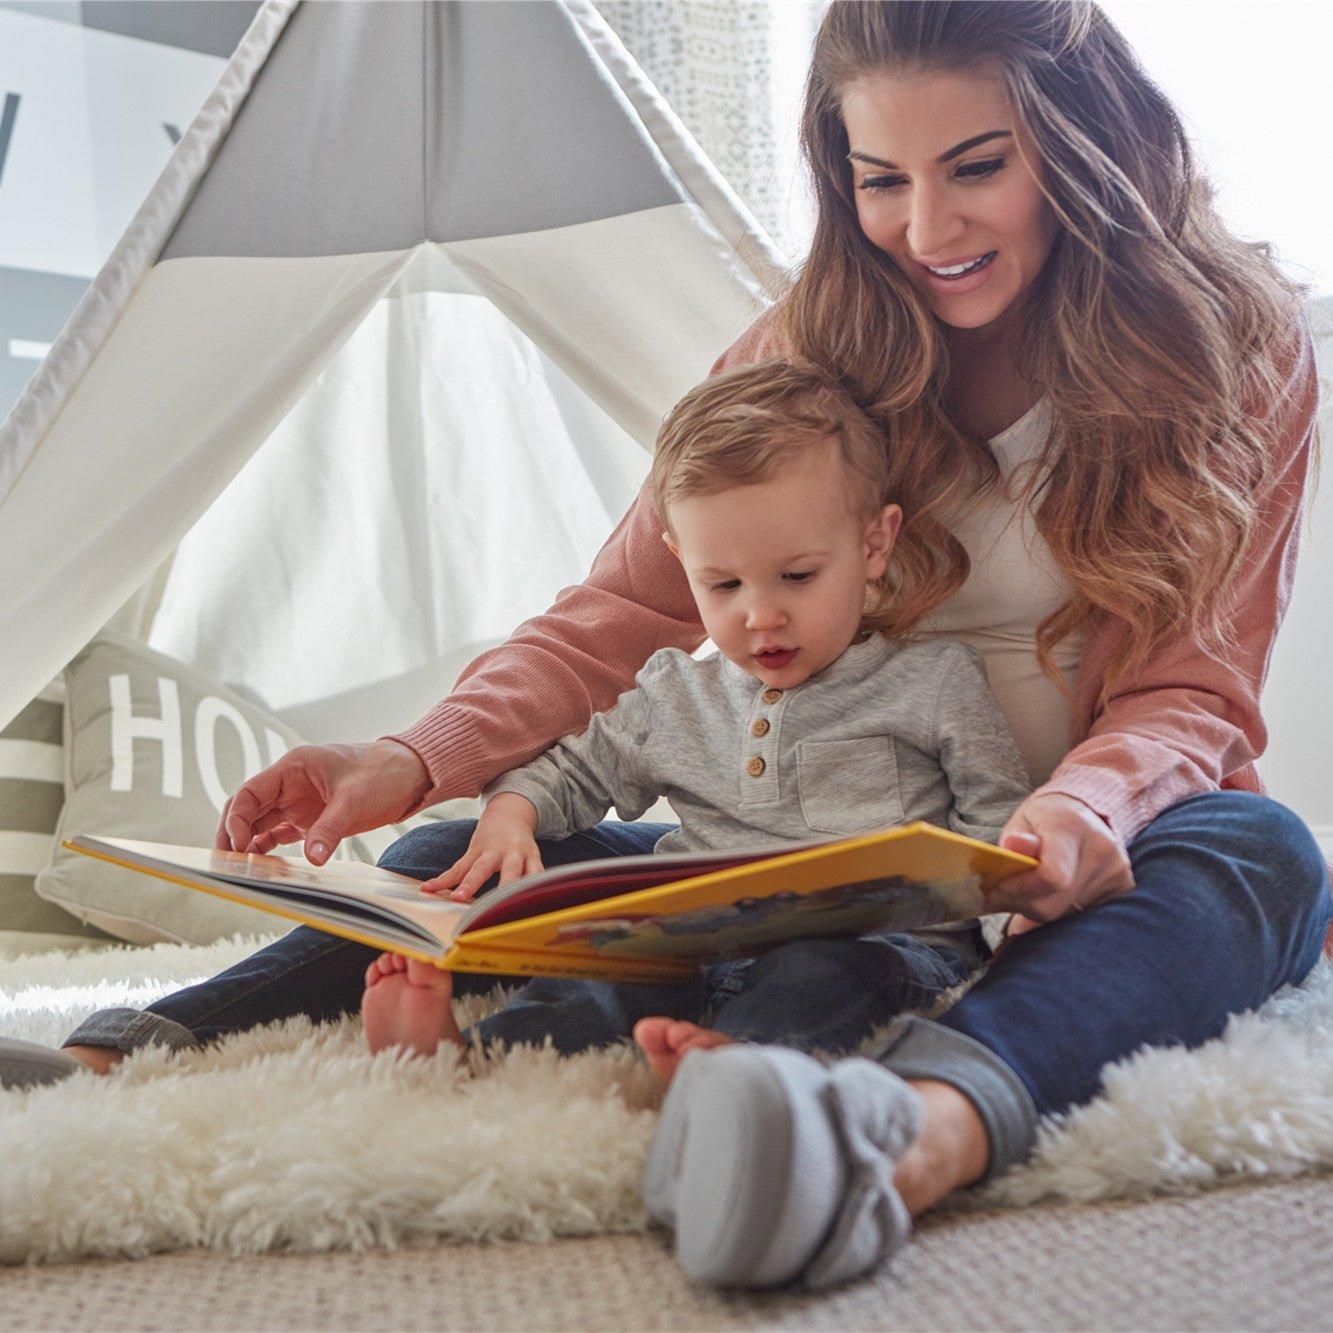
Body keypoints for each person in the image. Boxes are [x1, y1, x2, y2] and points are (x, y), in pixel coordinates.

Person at [21, 0, 1330, 1295]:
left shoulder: (1238, 344)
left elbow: (1191, 684)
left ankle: (904, 1131)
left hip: (1081, 846)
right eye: (881, 181)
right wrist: (413, 755)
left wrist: (1076, 808)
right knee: (457, 861)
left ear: (1084, 141)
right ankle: (114, 1051)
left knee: (1260, 856)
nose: (927, 231)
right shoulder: (805, 353)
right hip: (814, 846)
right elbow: (629, 614)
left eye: (976, 167)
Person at [358, 358, 1033, 1064]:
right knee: (596, 968)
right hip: (692, 939)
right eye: (722, 582)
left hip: (877, 945)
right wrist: (510, 814)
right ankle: (471, 1055)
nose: (759, 614)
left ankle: (737, 1069)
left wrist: (1006, 924)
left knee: (819, 978)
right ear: (682, 562)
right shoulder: (676, 693)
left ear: (872, 544)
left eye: (797, 576)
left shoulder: (931, 681)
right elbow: (575, 769)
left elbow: (998, 828)